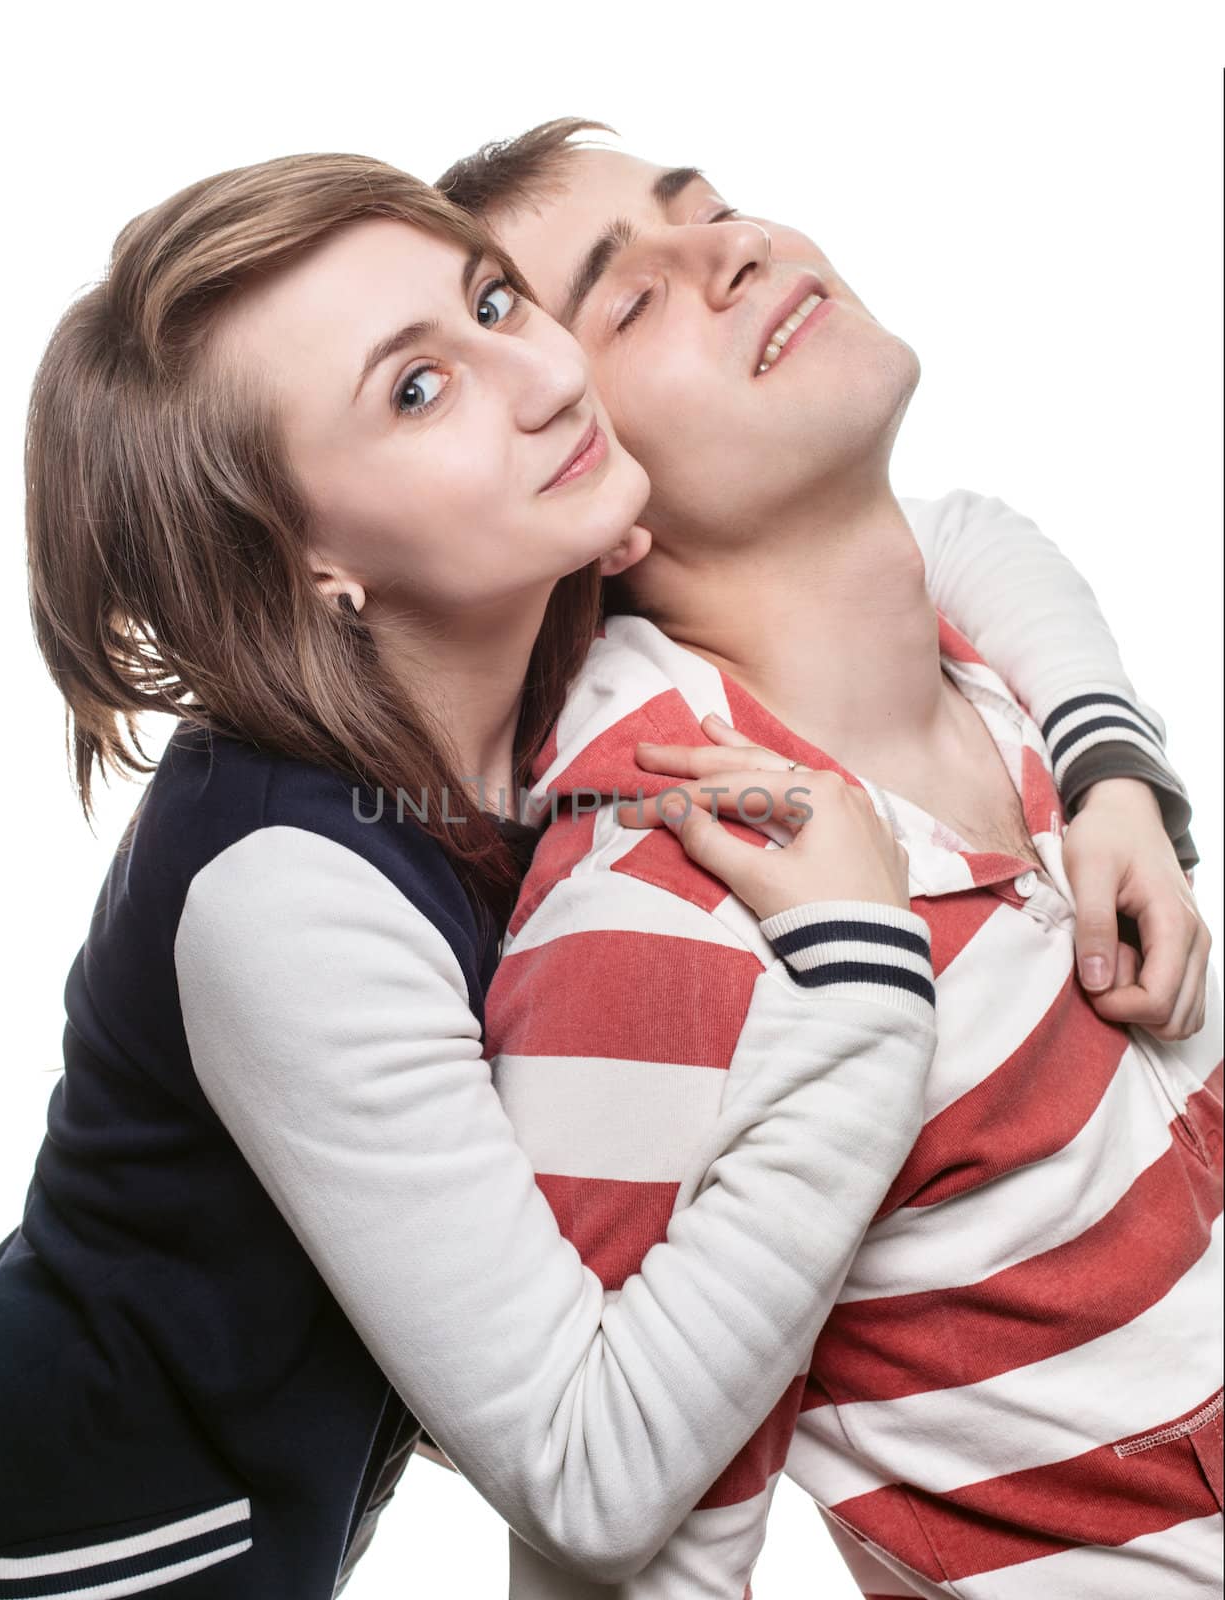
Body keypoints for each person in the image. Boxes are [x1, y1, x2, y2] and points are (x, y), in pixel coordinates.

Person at [436, 121, 1223, 1596]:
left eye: (711, 205)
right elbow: (621, 1545)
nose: (733, 246)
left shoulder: (1003, 688)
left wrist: (1115, 769)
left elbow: (979, 537)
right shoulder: (657, 915)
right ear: (580, 494)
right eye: (632, 298)